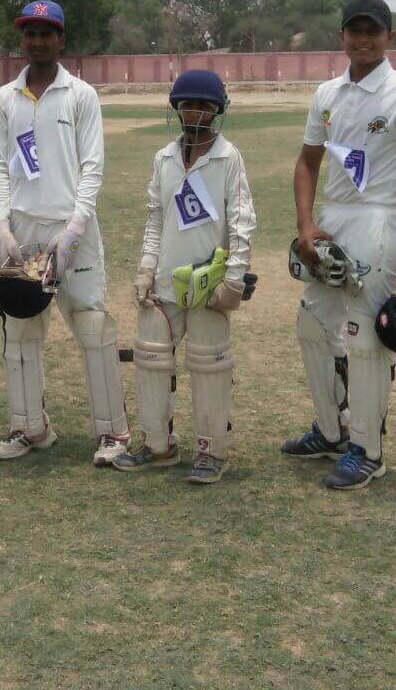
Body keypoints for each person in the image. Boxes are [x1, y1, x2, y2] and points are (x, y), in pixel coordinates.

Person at [281, 0, 396, 489]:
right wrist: (306, 224)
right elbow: (307, 162)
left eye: (373, 31)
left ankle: (367, 449)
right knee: (313, 325)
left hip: (378, 220)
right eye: (355, 31)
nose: (363, 39)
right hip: (332, 219)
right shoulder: (326, 93)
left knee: (367, 336)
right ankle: (331, 431)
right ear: (342, 36)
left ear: (389, 37)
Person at [0, 0, 130, 465]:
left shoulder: (80, 95)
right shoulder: (5, 99)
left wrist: (75, 227)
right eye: (30, 33)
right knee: (20, 328)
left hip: (72, 228)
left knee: (91, 326)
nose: (37, 41)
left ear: (61, 39)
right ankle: (30, 427)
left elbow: (92, 166)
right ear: (22, 39)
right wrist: (2, 225)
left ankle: (113, 433)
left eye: (46, 33)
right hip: (24, 229)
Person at [112, 70, 257, 483]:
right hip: (165, 281)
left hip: (209, 284)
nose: (195, 112)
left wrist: (234, 281)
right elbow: (156, 219)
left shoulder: (228, 158)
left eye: (204, 106)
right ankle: (158, 445)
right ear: (176, 109)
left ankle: (212, 451)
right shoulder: (164, 158)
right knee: (150, 357)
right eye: (188, 105)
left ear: (217, 110)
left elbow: (242, 222)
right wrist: (146, 269)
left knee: (210, 364)